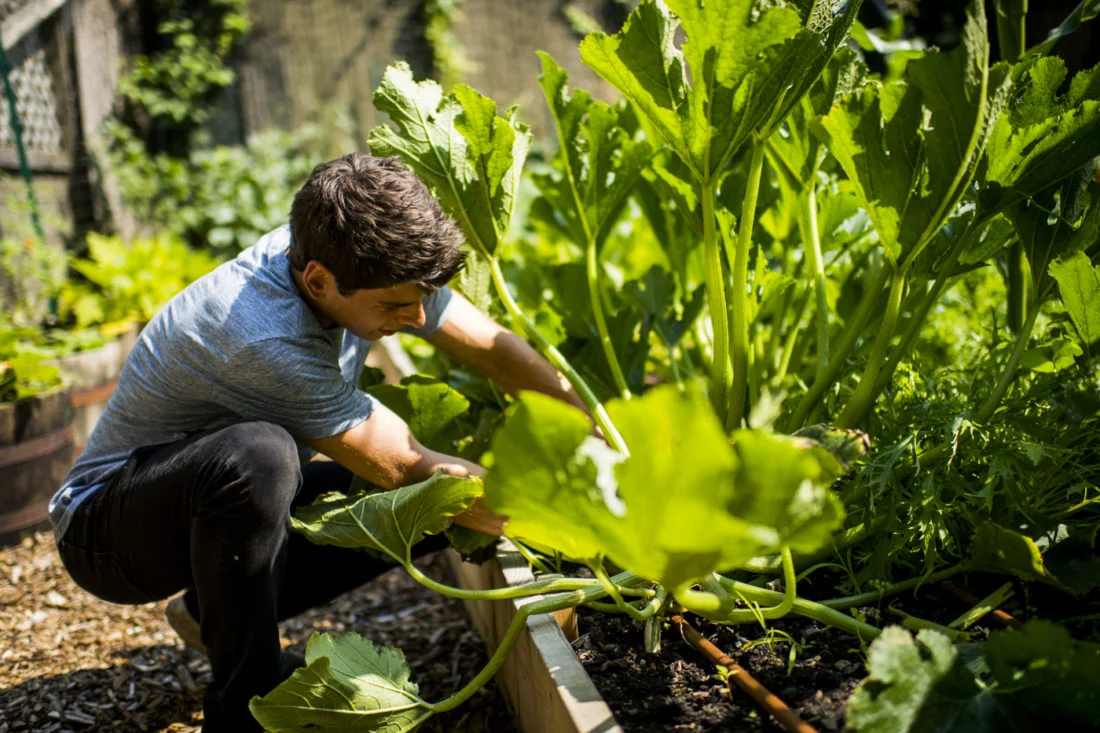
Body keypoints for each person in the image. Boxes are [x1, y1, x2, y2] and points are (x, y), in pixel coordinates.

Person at [48, 153, 587, 732]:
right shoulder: (262, 336)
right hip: (107, 535)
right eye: (394, 307)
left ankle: (210, 612)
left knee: (379, 501)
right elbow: (410, 465)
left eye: (423, 297)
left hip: (193, 509)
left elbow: (491, 347)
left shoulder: (355, 251)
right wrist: (587, 514)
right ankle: (245, 714)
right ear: (318, 282)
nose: (416, 315)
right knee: (264, 455)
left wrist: (588, 427)